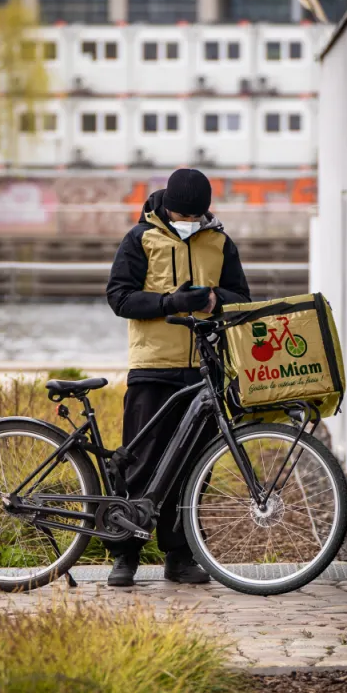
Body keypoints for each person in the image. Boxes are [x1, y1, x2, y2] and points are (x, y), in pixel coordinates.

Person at [106, 168, 251, 587]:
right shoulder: (140, 238)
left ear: (205, 212)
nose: (188, 220)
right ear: (166, 206)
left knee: (191, 466)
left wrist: (211, 299)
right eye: (180, 214)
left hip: (204, 369)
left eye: (195, 215)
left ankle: (180, 556)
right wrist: (169, 301)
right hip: (152, 366)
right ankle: (125, 555)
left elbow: (242, 299)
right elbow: (119, 297)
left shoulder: (220, 243)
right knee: (139, 464)